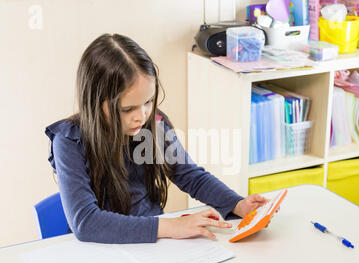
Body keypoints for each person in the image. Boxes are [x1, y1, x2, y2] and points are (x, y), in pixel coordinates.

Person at [45, 33, 269, 244]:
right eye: (128, 108)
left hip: (155, 246)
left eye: (148, 102)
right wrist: (172, 227)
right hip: (102, 251)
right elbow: (86, 222)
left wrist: (237, 204)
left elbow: (190, 175)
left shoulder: (155, 124)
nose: (142, 116)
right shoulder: (69, 141)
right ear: (96, 103)